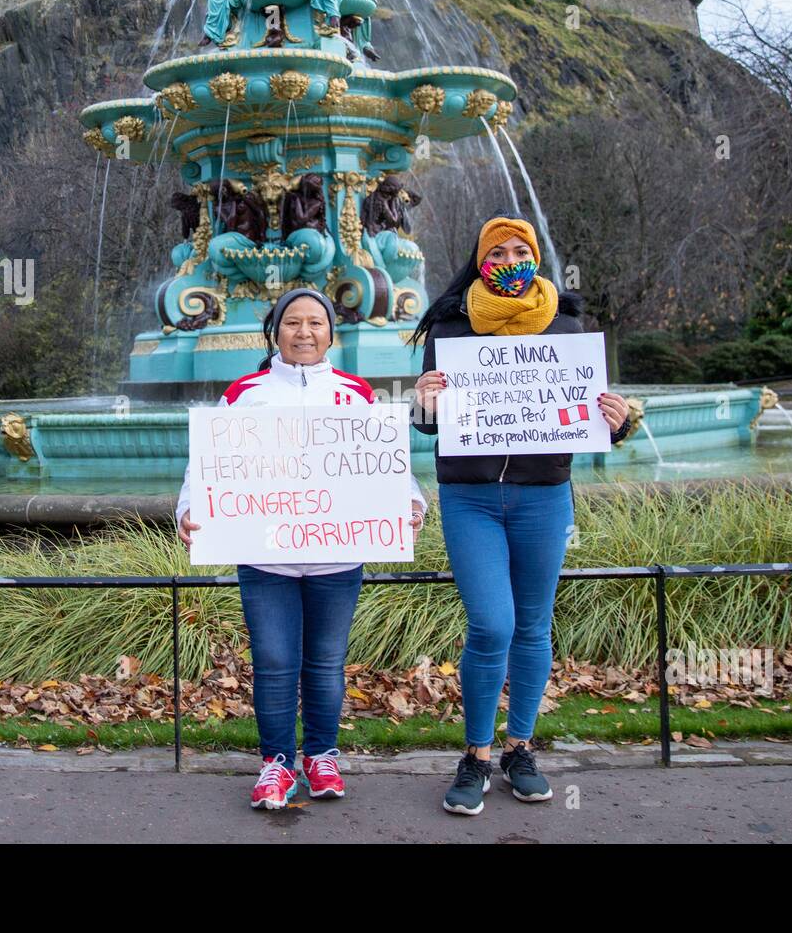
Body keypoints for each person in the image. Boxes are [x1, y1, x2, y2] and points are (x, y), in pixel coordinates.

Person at [410, 213, 634, 815]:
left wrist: (618, 422)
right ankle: (475, 755)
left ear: (535, 256)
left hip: (543, 495)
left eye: (521, 250)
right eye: (498, 252)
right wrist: (424, 406)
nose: (510, 260)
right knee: (491, 624)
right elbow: (431, 424)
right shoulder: (450, 327)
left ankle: (520, 748)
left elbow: (589, 417)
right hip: (471, 498)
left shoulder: (565, 325)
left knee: (534, 626)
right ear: (480, 261)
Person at [177, 287, 427, 809]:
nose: (305, 332)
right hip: (265, 555)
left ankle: (320, 756)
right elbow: (205, 466)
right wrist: (188, 510)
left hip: (337, 555)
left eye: (316, 322)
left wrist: (412, 505)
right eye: (294, 322)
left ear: (331, 332)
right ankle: (276, 764)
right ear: (276, 331)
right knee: (272, 661)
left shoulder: (357, 393)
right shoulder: (245, 392)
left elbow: (385, 464)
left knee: (326, 661)